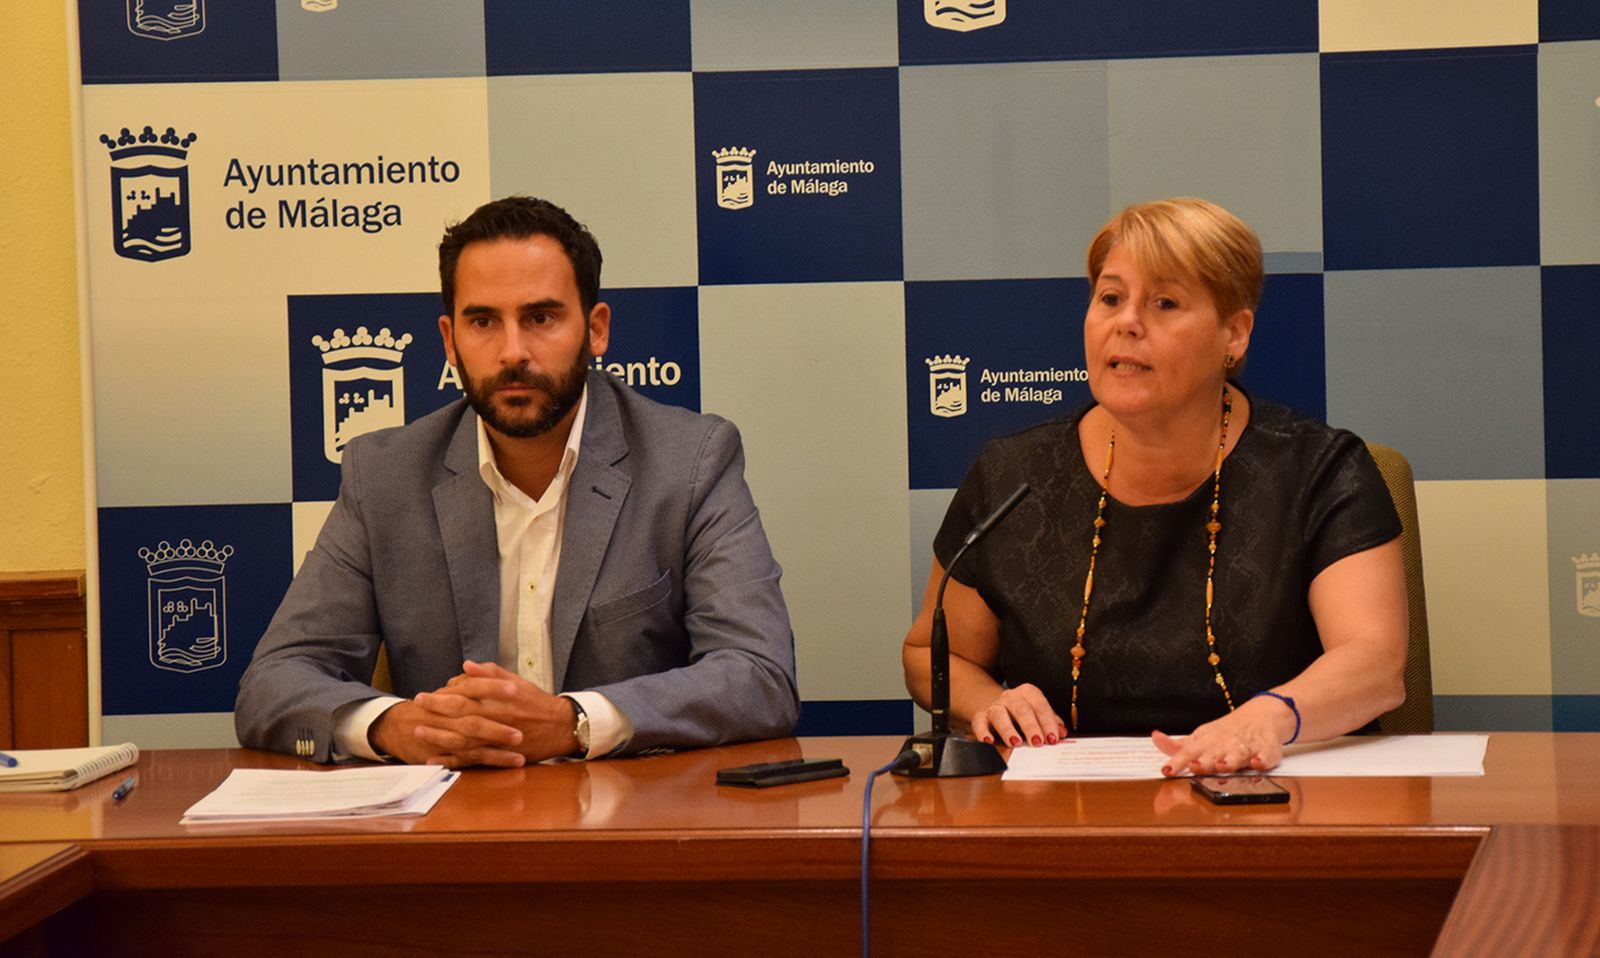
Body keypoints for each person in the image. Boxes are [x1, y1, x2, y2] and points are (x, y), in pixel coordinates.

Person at [237, 196, 798, 767]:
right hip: (452, 829)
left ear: (596, 330)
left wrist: (575, 723)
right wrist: (391, 725)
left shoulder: (690, 462)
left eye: (541, 318)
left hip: (633, 824)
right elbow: (274, 682)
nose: (513, 352)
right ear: (450, 340)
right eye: (482, 322)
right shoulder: (384, 476)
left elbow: (759, 674)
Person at [902, 198, 1407, 777]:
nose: (1127, 321)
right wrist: (989, 700)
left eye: (1164, 303)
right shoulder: (1014, 475)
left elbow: (1375, 662)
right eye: (1111, 298)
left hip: (1271, 798)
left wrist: (1268, 718)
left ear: (1234, 333)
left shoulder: (1318, 470)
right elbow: (931, 656)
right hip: (1067, 815)